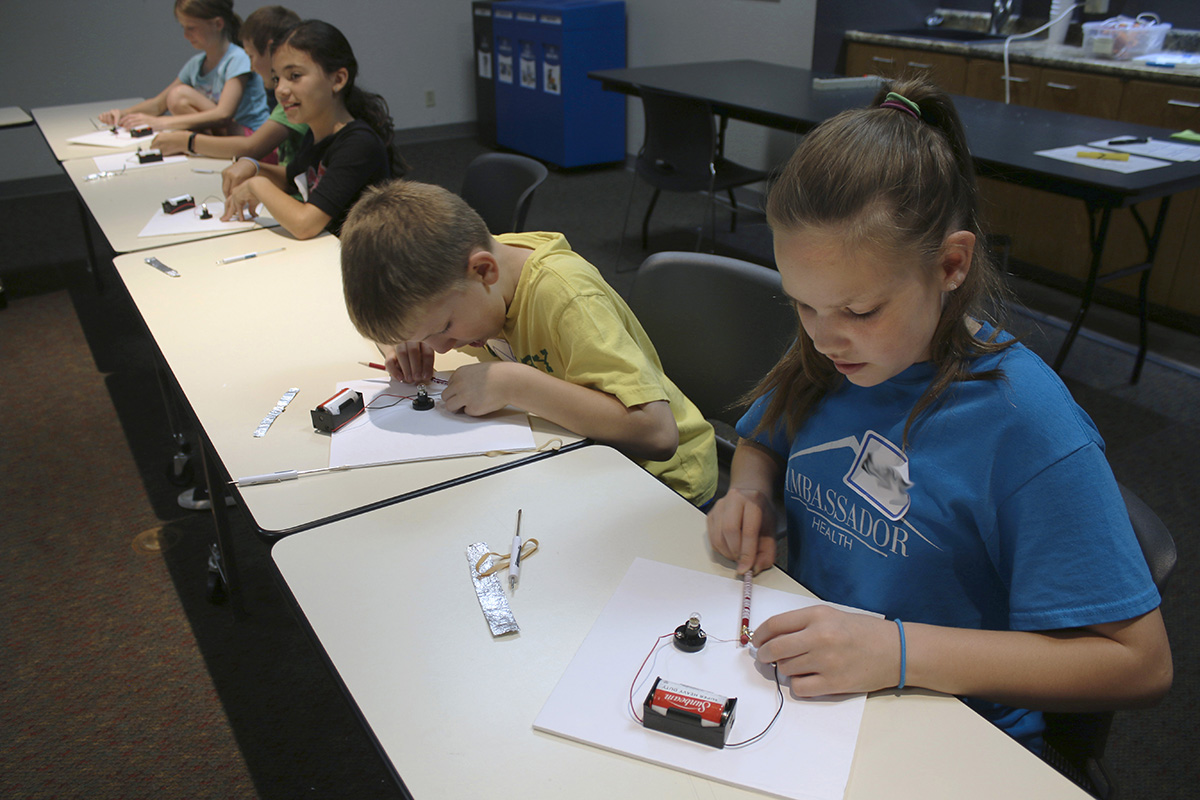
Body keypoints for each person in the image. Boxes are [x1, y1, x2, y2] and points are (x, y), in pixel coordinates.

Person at [706, 78, 1171, 752]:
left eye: (859, 309)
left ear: (951, 264)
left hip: (947, 725)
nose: (823, 336)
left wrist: (896, 651)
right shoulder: (841, 353)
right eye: (802, 304)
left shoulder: (1025, 424)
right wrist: (749, 491)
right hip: (820, 689)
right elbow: (763, 440)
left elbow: (1142, 664)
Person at [338, 180, 718, 508]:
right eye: (426, 339)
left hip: (660, 482)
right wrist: (404, 342)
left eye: (445, 328)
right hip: (577, 455)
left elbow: (657, 434)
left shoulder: (567, 298)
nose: (441, 349)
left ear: (484, 270)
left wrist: (514, 383)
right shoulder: (471, 280)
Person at [219, 19, 403, 238]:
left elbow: (305, 224)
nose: (281, 90)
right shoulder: (315, 132)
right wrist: (253, 166)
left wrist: (256, 185)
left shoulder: (358, 144)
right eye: (277, 78)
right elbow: (292, 177)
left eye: (294, 76)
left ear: (338, 79)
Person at [152, 5, 306, 166]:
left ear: (270, 49)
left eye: (251, 56)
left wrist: (188, 141)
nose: (251, 67)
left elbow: (251, 147)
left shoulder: (293, 98)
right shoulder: (197, 63)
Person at [99, 0, 269, 135]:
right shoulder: (196, 64)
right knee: (176, 97)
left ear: (217, 24)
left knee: (179, 96)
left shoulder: (238, 58)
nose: (186, 35)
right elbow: (158, 104)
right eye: (184, 27)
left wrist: (160, 123)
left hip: (251, 137)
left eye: (191, 28)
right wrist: (123, 114)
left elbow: (223, 114)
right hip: (226, 134)